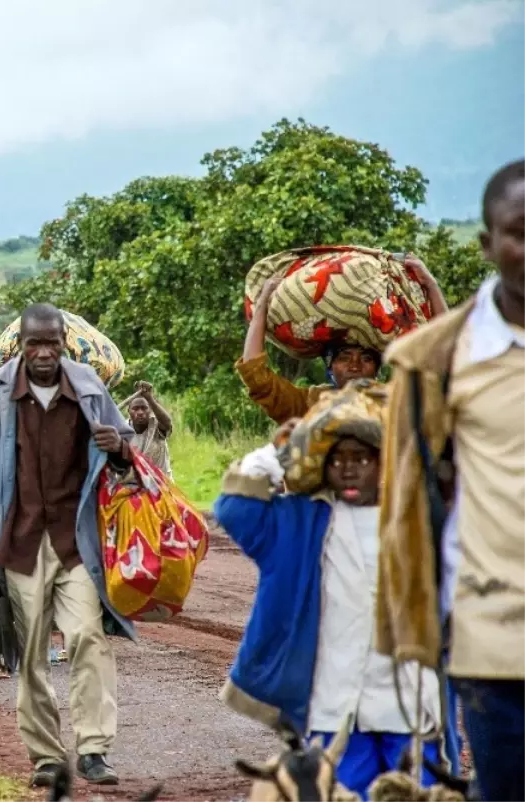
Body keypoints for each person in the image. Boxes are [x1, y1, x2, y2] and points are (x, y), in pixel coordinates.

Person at [377, 159, 525, 801]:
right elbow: (411, 496)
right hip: (493, 635)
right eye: (520, 230)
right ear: (488, 244)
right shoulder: (436, 360)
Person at [215, 401, 449, 800]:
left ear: (384, 463)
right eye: (337, 459)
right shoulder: (302, 522)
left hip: (411, 701)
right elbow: (235, 510)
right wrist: (278, 452)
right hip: (335, 705)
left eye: (361, 458)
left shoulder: (418, 520)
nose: (349, 468)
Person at [0, 303, 135, 789]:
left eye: (51, 343)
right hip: (19, 541)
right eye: (33, 344)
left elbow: (126, 445)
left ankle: (94, 748)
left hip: (75, 539)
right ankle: (45, 756)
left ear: (65, 343)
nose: (43, 353)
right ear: (21, 344)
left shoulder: (85, 385)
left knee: (87, 637)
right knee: (32, 650)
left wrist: (118, 445)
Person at [237, 255, 448, 424]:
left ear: (377, 369)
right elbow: (257, 377)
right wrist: (263, 303)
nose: (354, 365)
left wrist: (431, 285)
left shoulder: (395, 402)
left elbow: (445, 364)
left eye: (366, 358)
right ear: (329, 366)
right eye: (344, 357)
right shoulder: (307, 404)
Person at [119, 381, 173, 477]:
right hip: (133, 485)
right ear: (128, 411)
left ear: (150, 410)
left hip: (161, 483)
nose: (140, 412)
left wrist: (150, 398)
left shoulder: (157, 425)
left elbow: (167, 424)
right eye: (135, 408)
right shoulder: (122, 431)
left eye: (144, 408)